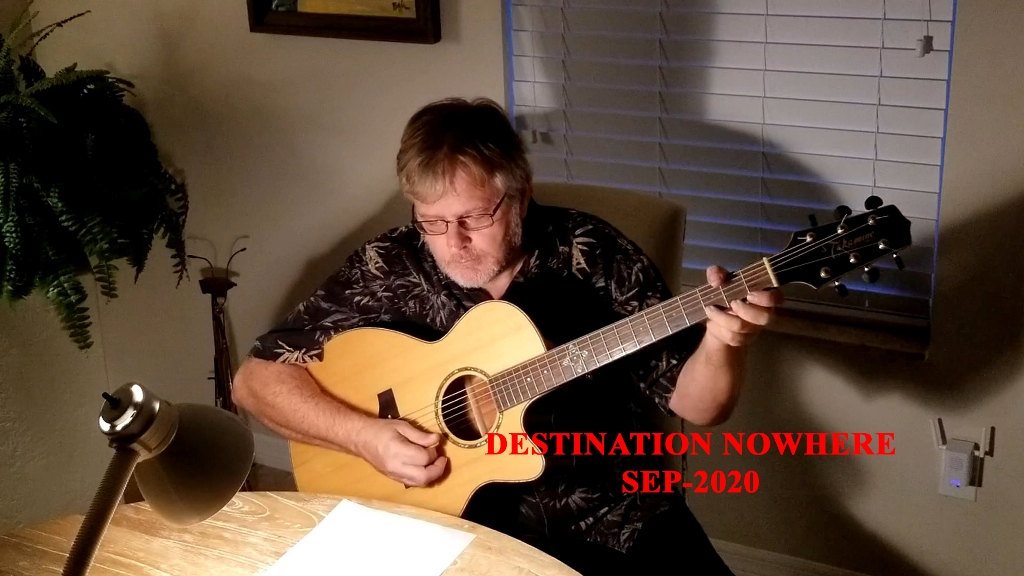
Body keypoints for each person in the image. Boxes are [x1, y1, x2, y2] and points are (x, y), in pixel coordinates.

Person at [232, 97, 782, 575]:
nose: (454, 243)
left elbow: (699, 406)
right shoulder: (390, 263)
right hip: (448, 522)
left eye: (475, 218)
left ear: (519, 195)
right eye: (433, 222)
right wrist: (364, 437)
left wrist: (724, 342)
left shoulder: (593, 253)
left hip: (611, 514)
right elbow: (254, 381)